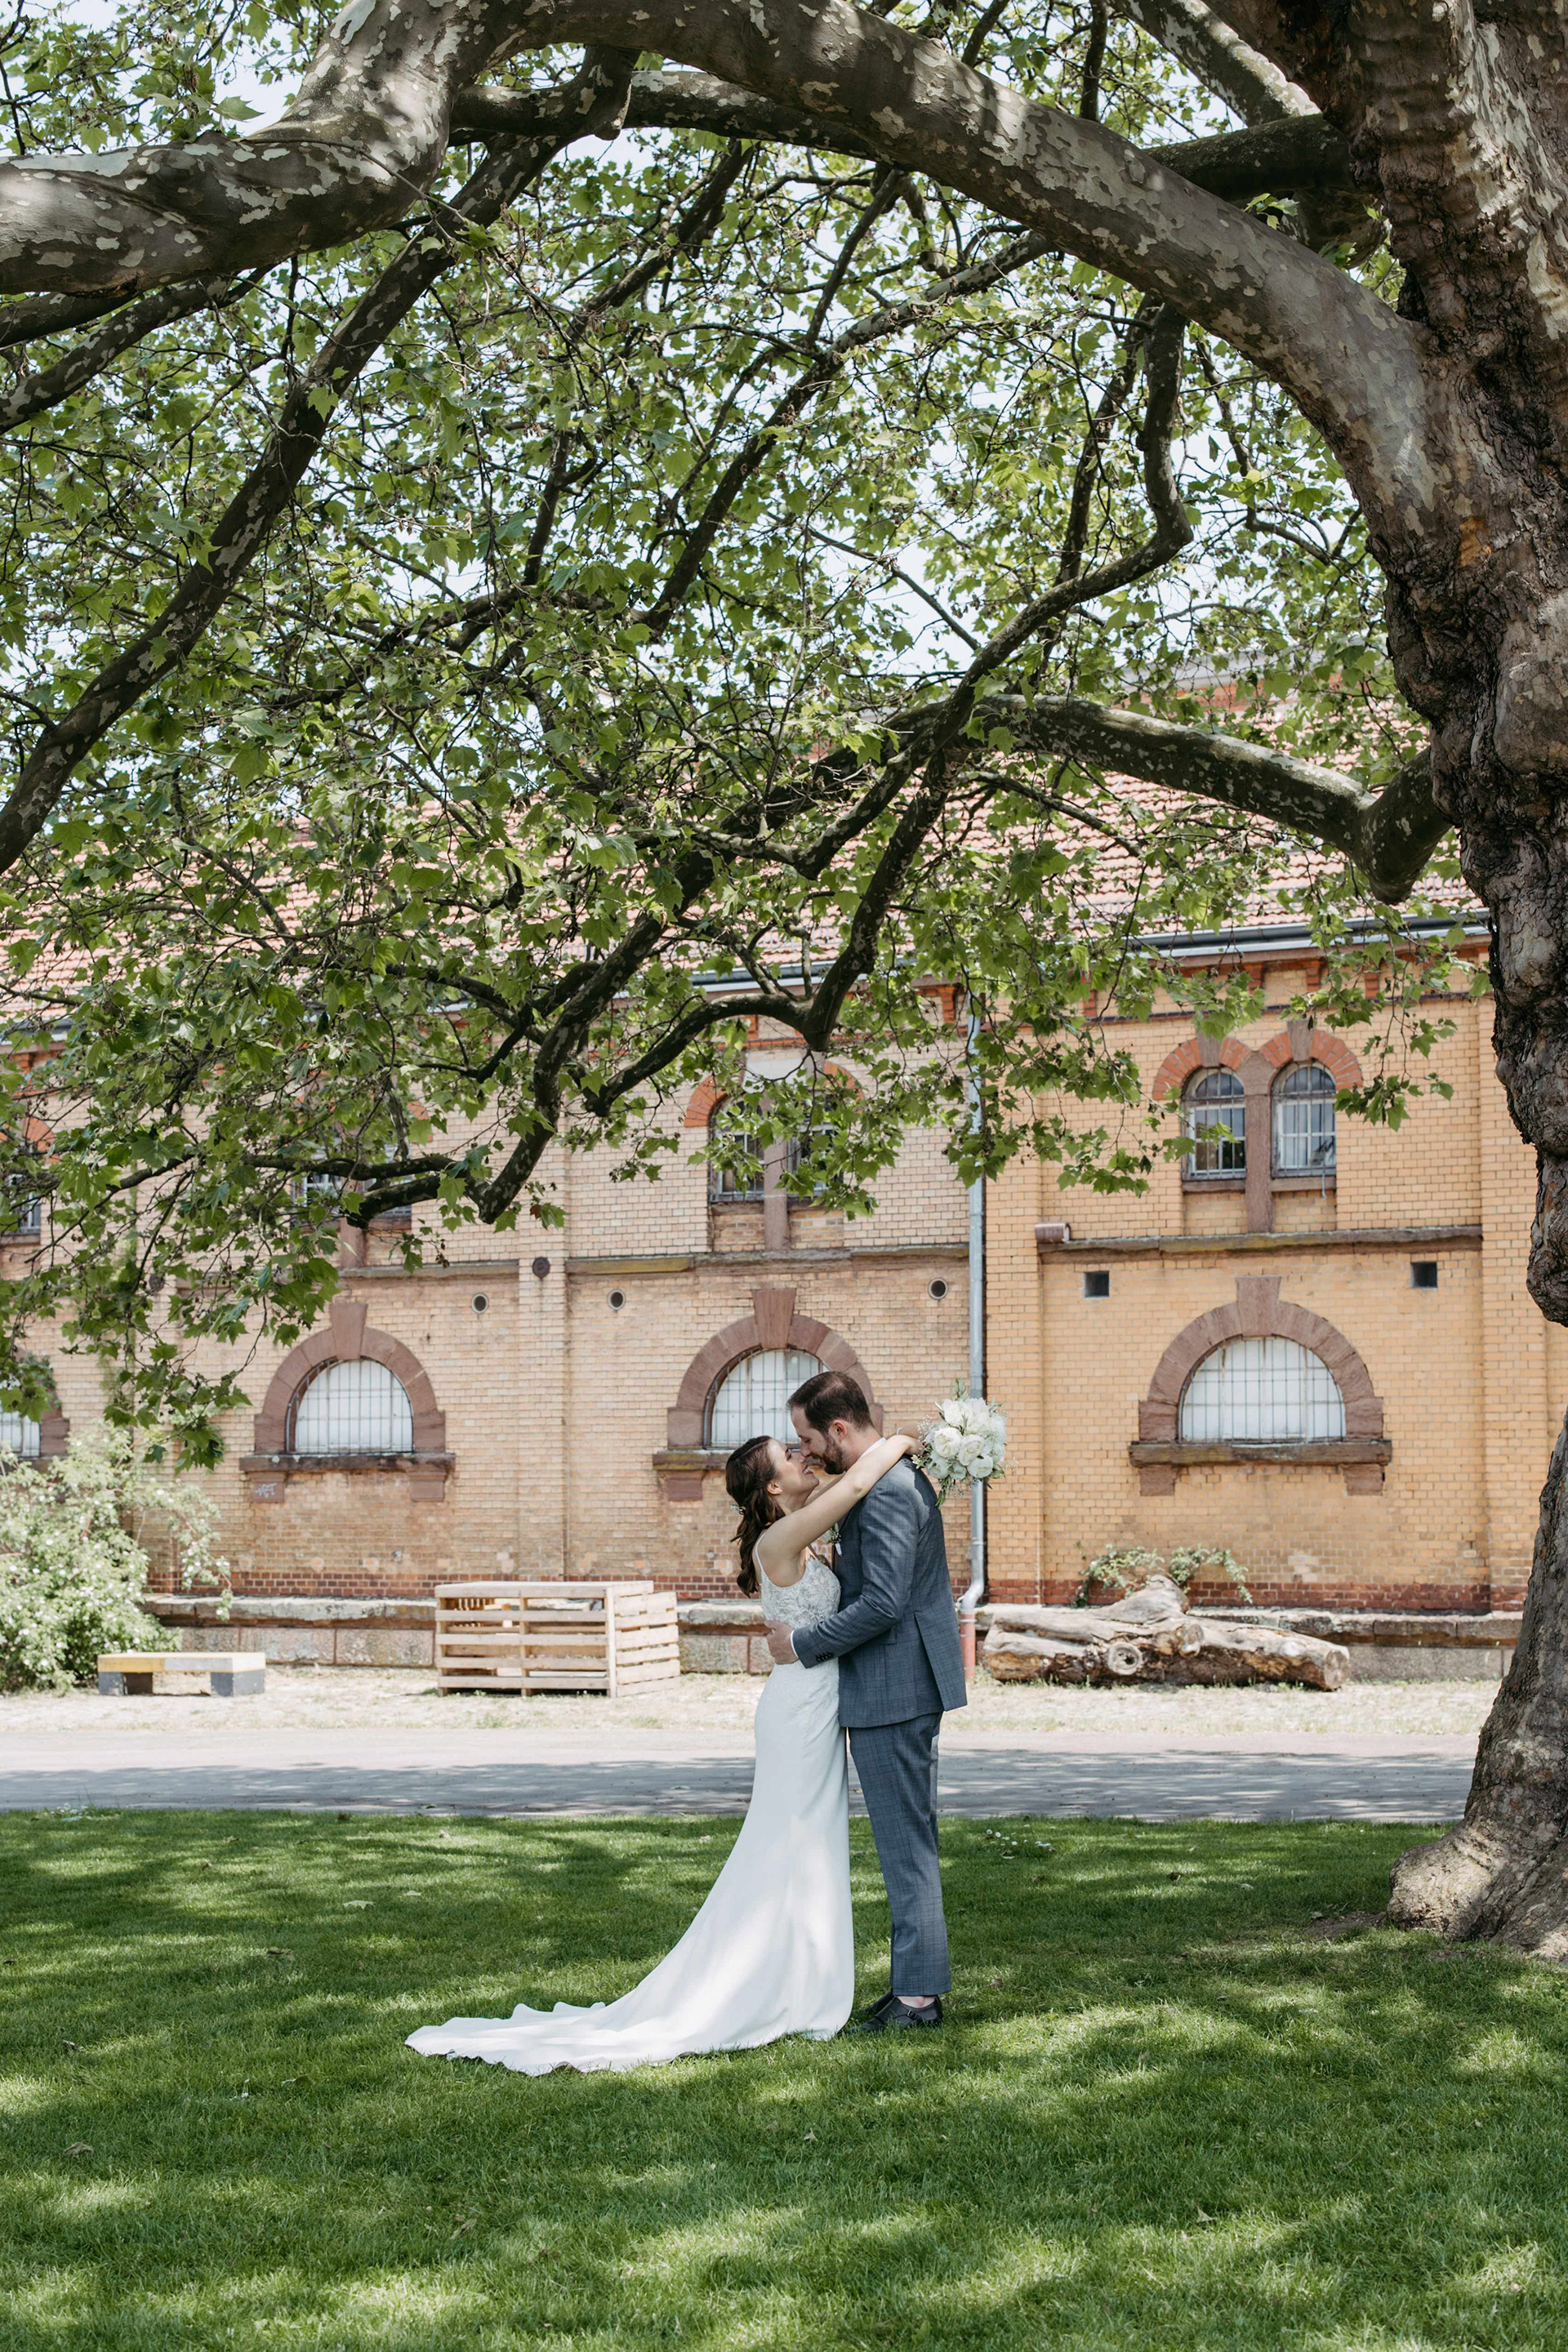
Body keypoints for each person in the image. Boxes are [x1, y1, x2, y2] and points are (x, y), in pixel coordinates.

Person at [403, 1422, 916, 2075]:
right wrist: (902, 1441)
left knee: (810, 1845)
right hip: (797, 1715)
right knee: (788, 1844)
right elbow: (859, 1484)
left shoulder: (802, 1534)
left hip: (815, 1706)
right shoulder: (781, 1538)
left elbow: (848, 1498)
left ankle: (796, 1979)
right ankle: (764, 1986)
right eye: (788, 1456)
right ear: (771, 1487)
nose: (801, 1457)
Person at [764, 1369, 966, 2032]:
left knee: (906, 1844)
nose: (805, 1450)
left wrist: (802, 1644)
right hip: (890, 1684)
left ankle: (918, 1999)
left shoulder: (888, 1493)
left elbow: (882, 1605)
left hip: (896, 1687)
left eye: (806, 1437)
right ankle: (913, 1987)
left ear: (838, 1428)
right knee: (905, 1841)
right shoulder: (875, 1484)